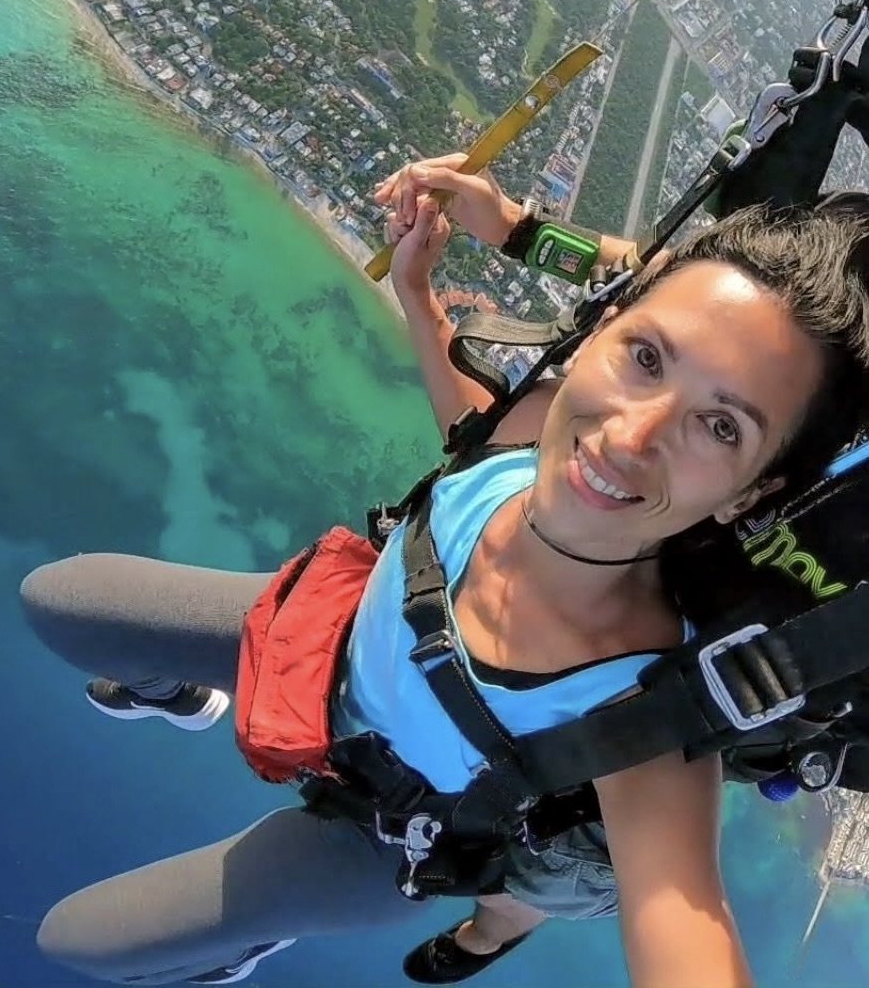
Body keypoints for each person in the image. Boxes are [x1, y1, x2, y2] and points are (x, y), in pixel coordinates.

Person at [19, 183, 869, 987]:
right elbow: (468, 428)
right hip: (326, 642)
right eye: (644, 358)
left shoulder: (641, 717)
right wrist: (419, 291)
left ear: (752, 492)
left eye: (718, 427)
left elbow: (683, 924)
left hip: (383, 832)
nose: (628, 437)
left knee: (86, 941)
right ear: (598, 335)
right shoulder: (527, 432)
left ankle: (244, 943)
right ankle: (179, 694)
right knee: (60, 603)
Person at [370, 157, 869, 984]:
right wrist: (517, 231)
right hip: (624, 577)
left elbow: (678, 911)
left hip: (677, 702)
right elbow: (691, 304)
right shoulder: (815, 339)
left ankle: (495, 931)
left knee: (552, 864)